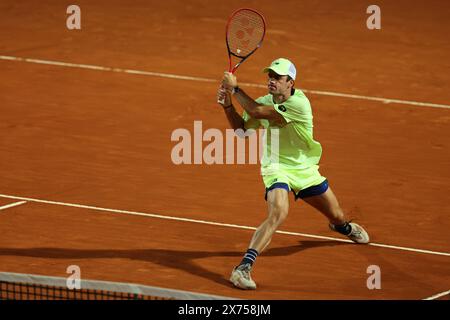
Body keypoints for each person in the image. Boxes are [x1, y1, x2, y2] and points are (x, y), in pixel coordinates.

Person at [217, 58, 370, 290]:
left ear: (291, 82)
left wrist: (235, 89)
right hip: (276, 166)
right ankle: (243, 268)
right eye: (270, 76)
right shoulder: (264, 101)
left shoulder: (299, 104)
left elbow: (257, 111)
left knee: (337, 216)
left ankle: (342, 228)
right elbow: (241, 131)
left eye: (277, 77)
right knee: (278, 212)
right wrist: (228, 106)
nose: (272, 81)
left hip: (305, 169)